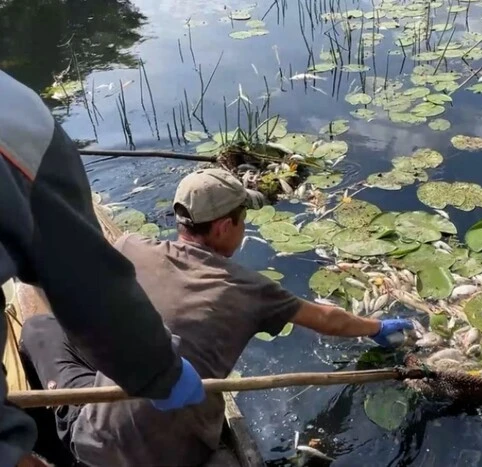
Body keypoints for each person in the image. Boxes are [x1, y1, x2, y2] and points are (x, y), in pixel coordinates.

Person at [20, 168, 414, 466]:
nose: (243, 229)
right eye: (243, 220)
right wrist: (378, 327)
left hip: (101, 446)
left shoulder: (129, 247)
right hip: (187, 451)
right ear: (225, 226)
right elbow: (330, 320)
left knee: (42, 328)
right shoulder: (251, 289)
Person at [0, 70, 206, 467]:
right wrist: (161, 372)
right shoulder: (16, 118)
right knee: (42, 327)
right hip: (96, 423)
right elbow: (91, 288)